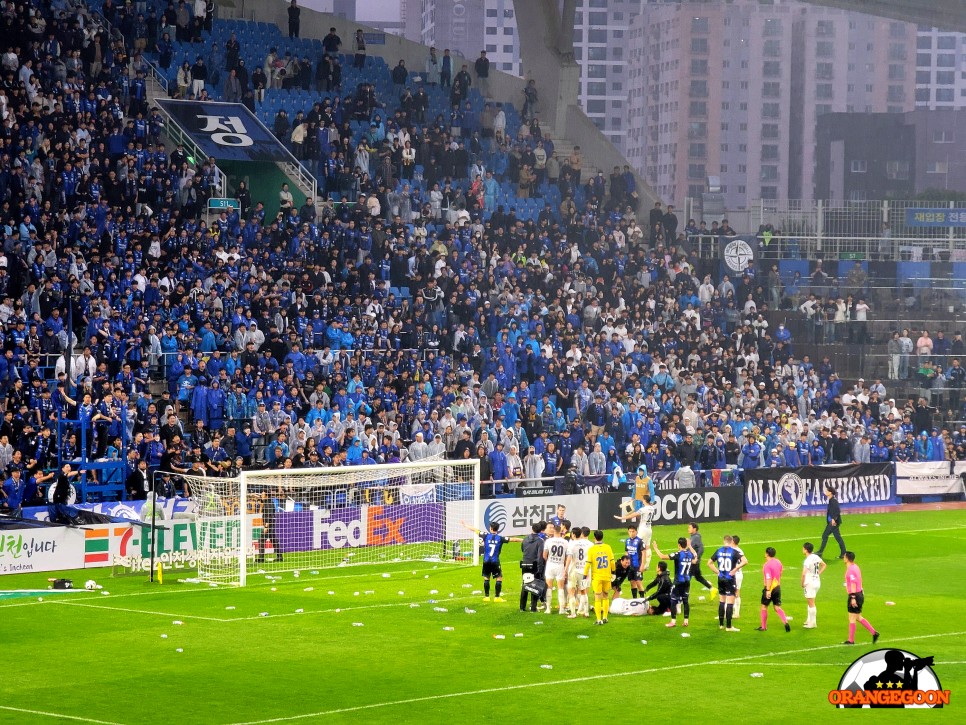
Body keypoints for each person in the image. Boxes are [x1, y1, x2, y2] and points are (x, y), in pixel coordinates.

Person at [463, 520, 521, 602]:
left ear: (490, 528)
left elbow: (475, 530)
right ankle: (497, 597)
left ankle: (486, 597)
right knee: (499, 578)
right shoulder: (501, 538)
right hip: (495, 561)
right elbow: (513, 539)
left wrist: (465, 525)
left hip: (486, 561)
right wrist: (523, 540)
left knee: (486, 577)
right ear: (497, 529)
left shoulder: (485, 536)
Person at [651, 536, 697, 627]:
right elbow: (695, 559)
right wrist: (690, 546)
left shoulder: (678, 554)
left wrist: (656, 548)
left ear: (679, 545)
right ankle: (686, 621)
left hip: (678, 581)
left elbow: (662, 556)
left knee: (673, 600)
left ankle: (673, 621)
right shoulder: (690, 554)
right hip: (687, 581)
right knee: (685, 601)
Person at [708, 534, 747, 632]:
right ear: (731, 542)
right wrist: (735, 569)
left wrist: (717, 572)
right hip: (730, 578)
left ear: (724, 541)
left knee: (721, 601)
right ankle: (729, 627)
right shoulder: (734, 551)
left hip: (721, 578)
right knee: (730, 602)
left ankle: (721, 625)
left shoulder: (719, 550)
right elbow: (745, 561)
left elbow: (709, 563)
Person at [843, 551, 880, 645]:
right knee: (858, 617)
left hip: (855, 595)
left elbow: (854, 583)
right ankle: (874, 633)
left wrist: (853, 597)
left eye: (844, 557)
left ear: (847, 558)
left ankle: (851, 640)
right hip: (859, 594)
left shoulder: (851, 570)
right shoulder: (855, 567)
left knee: (852, 618)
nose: (843, 558)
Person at [756, 547, 791, 633]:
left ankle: (763, 627)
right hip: (777, 587)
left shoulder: (767, 565)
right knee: (777, 607)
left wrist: (768, 590)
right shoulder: (778, 562)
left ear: (767, 554)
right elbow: (781, 572)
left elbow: (768, 578)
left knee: (764, 606)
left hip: (770, 587)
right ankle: (785, 622)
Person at [585, 529, 616, 624]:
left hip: (597, 577)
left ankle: (599, 619)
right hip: (607, 576)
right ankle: (605, 617)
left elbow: (588, 564)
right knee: (606, 596)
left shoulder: (592, 549)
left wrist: (584, 575)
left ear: (594, 538)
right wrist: (613, 573)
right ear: (602, 537)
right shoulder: (608, 547)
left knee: (597, 597)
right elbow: (612, 562)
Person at [565, 525, 591, 618]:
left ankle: (573, 613)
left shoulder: (571, 544)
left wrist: (565, 570)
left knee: (571, 592)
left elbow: (569, 558)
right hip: (584, 571)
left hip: (574, 570)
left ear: (573, 534)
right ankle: (586, 612)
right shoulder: (588, 544)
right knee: (584, 591)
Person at [542, 523, 569, 614]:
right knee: (560, 588)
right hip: (560, 565)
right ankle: (561, 609)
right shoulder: (565, 542)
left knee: (549, 587)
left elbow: (544, 555)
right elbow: (566, 557)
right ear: (561, 531)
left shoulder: (548, 541)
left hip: (550, 565)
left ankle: (548, 609)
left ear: (554, 531)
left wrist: (549, 561)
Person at [519, 522, 545, 612]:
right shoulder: (540, 541)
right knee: (534, 585)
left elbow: (522, 549)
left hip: (525, 563)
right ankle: (533, 607)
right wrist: (540, 569)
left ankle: (522, 607)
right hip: (534, 565)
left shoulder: (525, 539)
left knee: (525, 584)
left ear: (532, 529)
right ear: (540, 530)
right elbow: (540, 555)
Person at [687, 522, 717, 597]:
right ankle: (712, 589)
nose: (688, 529)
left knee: (687, 578)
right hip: (693, 561)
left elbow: (701, 548)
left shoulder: (696, 537)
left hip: (694, 562)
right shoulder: (693, 536)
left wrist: (696, 558)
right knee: (698, 577)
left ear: (694, 529)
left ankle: (684, 596)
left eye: (689, 528)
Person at [816, 485, 846, 560]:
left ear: (830, 492)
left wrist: (833, 519)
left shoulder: (833, 501)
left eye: (827, 491)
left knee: (825, 535)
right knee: (837, 537)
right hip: (833, 522)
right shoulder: (831, 500)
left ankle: (820, 552)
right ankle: (843, 553)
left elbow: (837, 511)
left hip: (833, 523)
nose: (826, 492)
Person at [801, 541, 826, 629]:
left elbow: (803, 574)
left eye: (803, 548)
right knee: (811, 601)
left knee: (811, 603)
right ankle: (809, 620)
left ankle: (813, 623)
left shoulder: (807, 560)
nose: (802, 549)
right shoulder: (816, 556)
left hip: (810, 583)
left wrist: (802, 583)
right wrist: (818, 573)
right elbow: (824, 565)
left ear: (806, 550)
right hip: (817, 582)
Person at [622, 525, 645, 599]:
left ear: (636, 532)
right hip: (630, 566)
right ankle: (634, 599)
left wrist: (642, 565)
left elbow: (644, 553)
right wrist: (625, 563)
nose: (631, 533)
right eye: (630, 531)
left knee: (638, 582)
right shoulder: (627, 541)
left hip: (638, 565)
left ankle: (642, 599)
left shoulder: (640, 541)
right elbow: (626, 552)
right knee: (632, 583)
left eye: (633, 531)